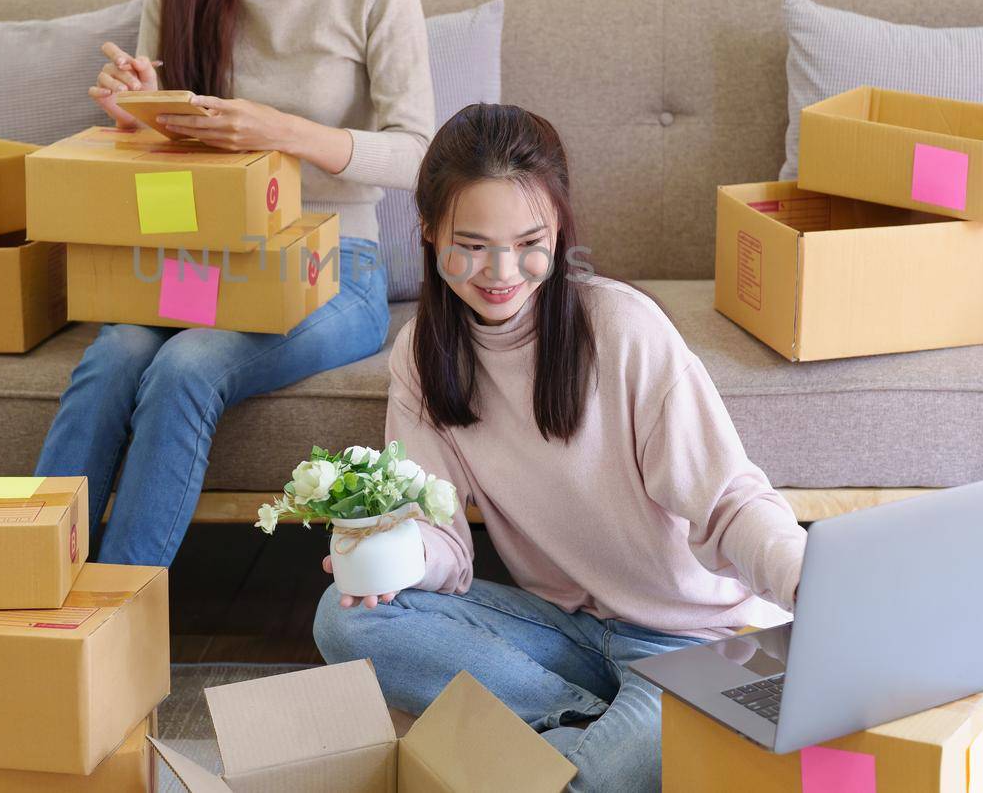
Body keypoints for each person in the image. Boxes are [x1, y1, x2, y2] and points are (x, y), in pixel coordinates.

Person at [312, 104, 806, 793]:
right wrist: (392, 556)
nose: (502, 271)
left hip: (703, 641)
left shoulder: (624, 331)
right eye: (473, 243)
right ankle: (588, 725)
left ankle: (599, 747)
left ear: (561, 230)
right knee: (342, 617)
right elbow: (446, 547)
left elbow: (729, 504)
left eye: (529, 242)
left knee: (590, 779)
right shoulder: (422, 358)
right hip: (567, 639)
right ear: (427, 231)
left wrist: (804, 579)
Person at [35, 0, 433, 567]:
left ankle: (113, 610)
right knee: (117, 351)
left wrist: (284, 131)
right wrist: (140, 117)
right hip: (200, 262)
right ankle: (24, 573)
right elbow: (164, 174)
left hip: (332, 268)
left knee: (190, 362)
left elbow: (420, 153)